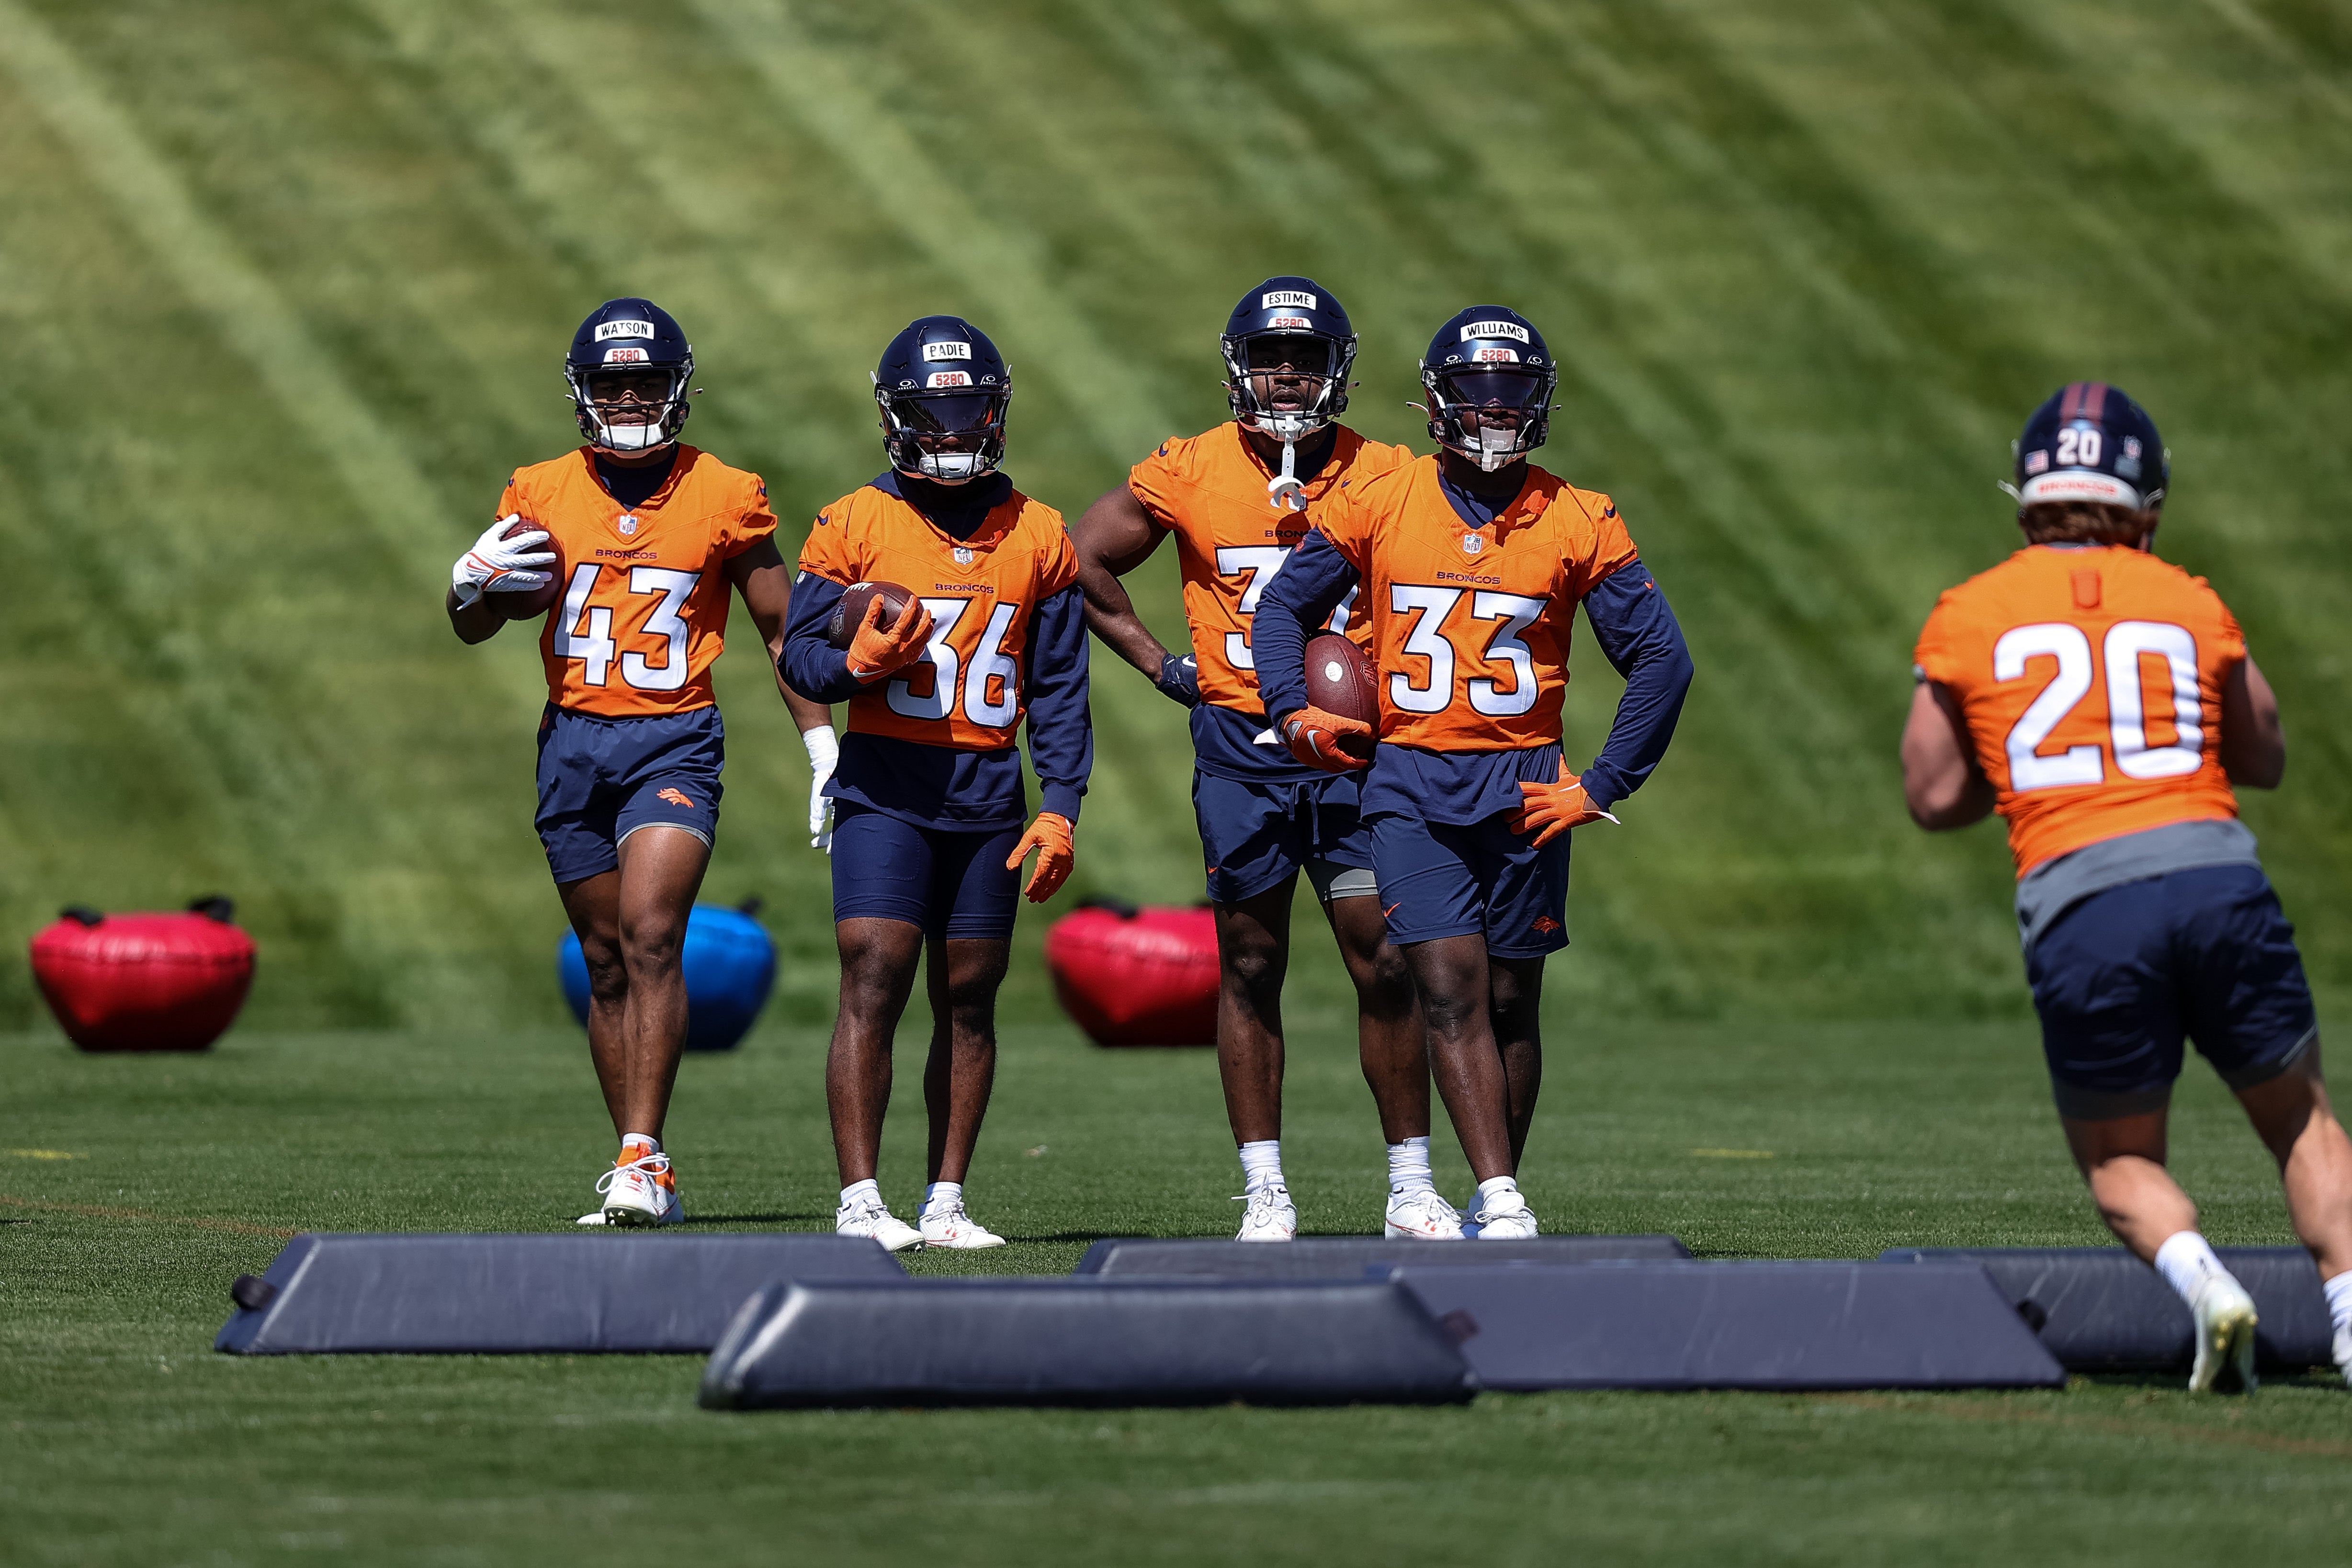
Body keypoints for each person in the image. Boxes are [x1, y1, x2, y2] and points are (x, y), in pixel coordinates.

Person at [1902, 383, 2352, 1392]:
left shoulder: (1970, 611)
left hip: (2081, 901)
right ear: (2143, 501)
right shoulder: (2188, 599)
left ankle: (2202, 1284)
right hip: (2215, 876)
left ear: (2024, 494)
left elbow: (1930, 794)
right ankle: (2351, 1317)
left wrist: (2016, 764)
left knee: (2119, 1159)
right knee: (2298, 1119)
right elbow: (2263, 752)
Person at [1253, 306, 1693, 1239]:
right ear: (1434, 401)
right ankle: (1499, 1196)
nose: (1493, 412)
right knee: (1447, 983)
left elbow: (1662, 660)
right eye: (1474, 392)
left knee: (1509, 998)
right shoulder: (1379, 500)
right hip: (1410, 780)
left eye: (1512, 392)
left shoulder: (1580, 517)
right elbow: (1280, 612)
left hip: (1525, 784)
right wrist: (1293, 713)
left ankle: (1496, 1185)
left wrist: (1604, 782)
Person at [1072, 276, 1442, 1241]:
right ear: (1239, 365)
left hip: (1356, 753)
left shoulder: (1389, 471)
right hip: (1241, 745)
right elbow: (1080, 558)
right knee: (1247, 960)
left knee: (1390, 962)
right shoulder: (1190, 467)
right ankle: (1264, 1188)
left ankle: (1409, 1184)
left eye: (1306, 359)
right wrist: (1162, 666)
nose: (1286, 378)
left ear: (1338, 370)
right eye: (1272, 359)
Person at [447, 297, 832, 1227]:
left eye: (645, 380)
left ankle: (641, 1155)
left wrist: (822, 745)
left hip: (673, 737)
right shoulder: (538, 490)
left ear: (677, 387)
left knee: (654, 932)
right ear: (584, 392)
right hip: (572, 742)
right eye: (611, 382)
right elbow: (479, 623)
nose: (627, 397)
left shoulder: (725, 492)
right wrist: (467, 589)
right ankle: (635, 1154)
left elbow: (782, 629)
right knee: (607, 958)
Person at [781, 316, 1091, 1252]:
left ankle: (946, 1198)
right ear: (896, 419)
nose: (951, 430)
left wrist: (1060, 804)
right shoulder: (851, 522)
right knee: (873, 972)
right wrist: (855, 668)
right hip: (885, 783)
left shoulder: (1039, 532)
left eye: (968, 412)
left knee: (970, 994)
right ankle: (860, 1198)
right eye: (932, 413)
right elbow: (798, 656)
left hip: (989, 788)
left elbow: (1059, 690)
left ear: (995, 415)